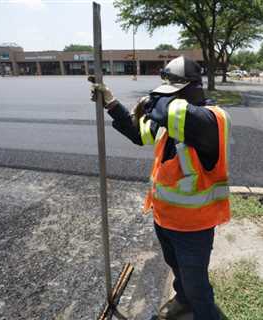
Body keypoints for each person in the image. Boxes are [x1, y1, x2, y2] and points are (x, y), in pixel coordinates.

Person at [90, 56, 231, 320]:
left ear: (193, 89)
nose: (166, 97)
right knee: (177, 269)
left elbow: (168, 111)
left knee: (197, 285)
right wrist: (111, 103)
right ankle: (183, 300)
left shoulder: (211, 120)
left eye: (173, 91)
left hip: (193, 226)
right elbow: (139, 133)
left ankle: (204, 313)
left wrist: (151, 99)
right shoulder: (170, 120)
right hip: (165, 218)